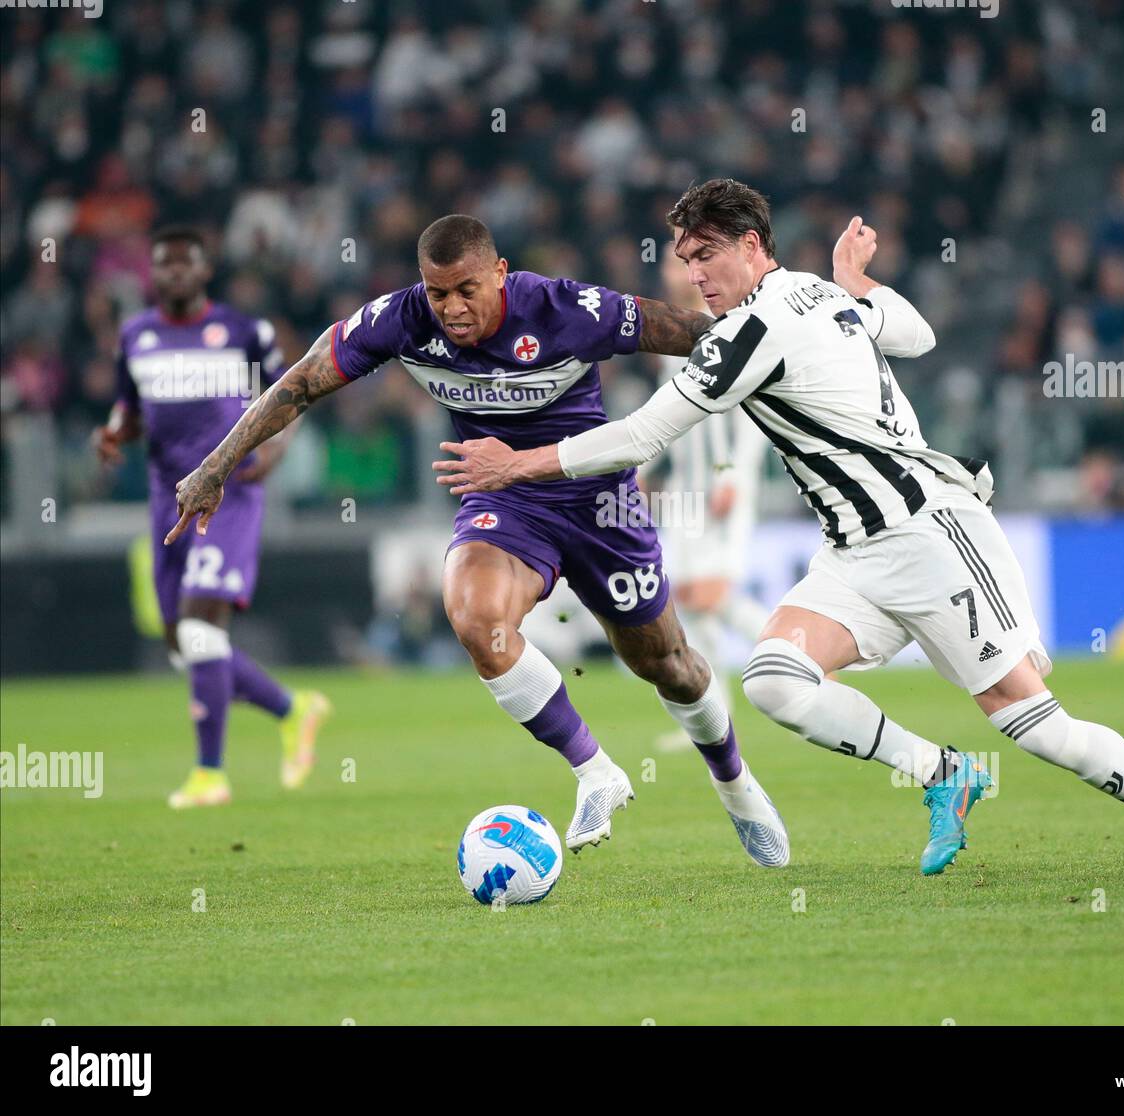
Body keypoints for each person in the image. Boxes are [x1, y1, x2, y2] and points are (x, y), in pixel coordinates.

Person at [431, 179, 1124, 874]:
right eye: (685, 257)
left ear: (751, 246)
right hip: (855, 554)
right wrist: (859, 286)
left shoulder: (755, 330)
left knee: (1032, 722)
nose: (694, 274)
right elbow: (915, 333)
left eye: (707, 253)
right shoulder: (812, 291)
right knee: (775, 680)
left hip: (930, 533)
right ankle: (942, 773)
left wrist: (518, 465)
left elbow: (642, 434)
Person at [166, 214, 791, 867]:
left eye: (466, 290)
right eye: (437, 294)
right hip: (501, 495)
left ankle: (738, 788)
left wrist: (796, 354)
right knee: (474, 616)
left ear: (500, 273)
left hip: (597, 497)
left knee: (666, 664)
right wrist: (215, 468)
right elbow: (298, 383)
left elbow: (698, 335)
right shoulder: (399, 321)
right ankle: (596, 772)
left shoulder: (566, 309)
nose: (451, 309)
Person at [94, 226, 330, 809]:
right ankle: (291, 708)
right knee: (183, 645)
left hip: (228, 493)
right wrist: (113, 432)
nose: (173, 273)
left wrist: (275, 449)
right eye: (163, 264)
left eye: (185, 263)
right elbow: (129, 407)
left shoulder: (246, 331)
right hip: (163, 497)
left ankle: (210, 775)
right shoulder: (135, 335)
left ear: (205, 271)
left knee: (201, 632)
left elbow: (292, 391)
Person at [650, 253, 771, 752]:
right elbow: (672, 416)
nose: (673, 274)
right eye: (668, 266)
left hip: (723, 484)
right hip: (686, 488)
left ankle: (802, 657)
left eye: (681, 265)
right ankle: (713, 715)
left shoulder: (726, 326)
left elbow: (742, 409)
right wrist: (648, 472)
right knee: (688, 600)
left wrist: (730, 475)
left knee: (710, 594)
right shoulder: (671, 335)